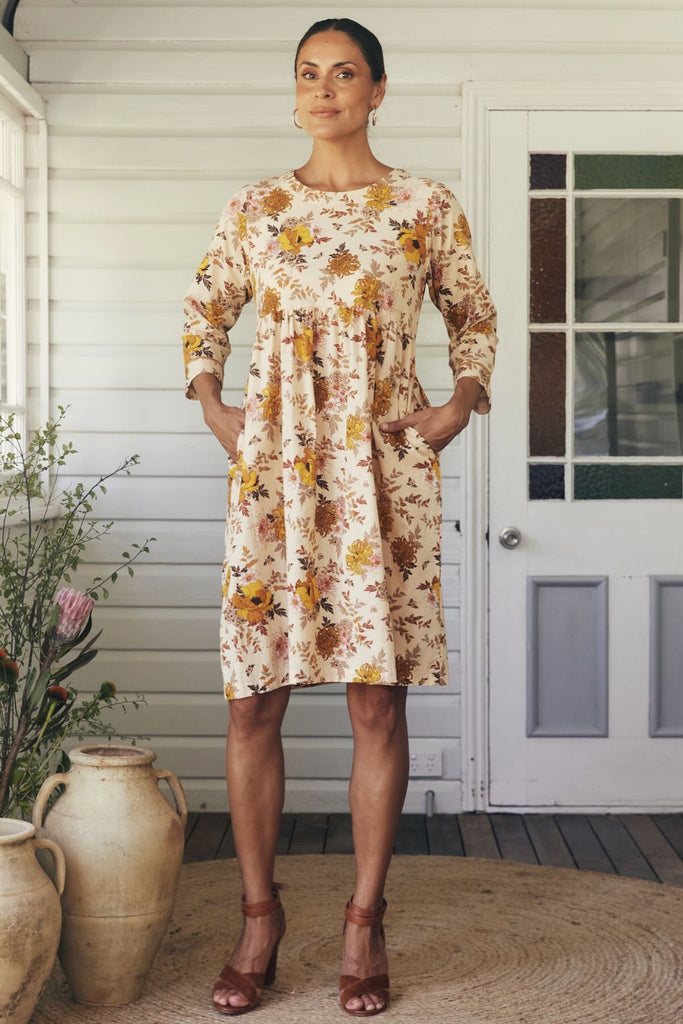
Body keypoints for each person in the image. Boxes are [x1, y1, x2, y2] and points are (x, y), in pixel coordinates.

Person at [182, 16, 497, 1018]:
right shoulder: (254, 207)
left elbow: (473, 315)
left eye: (344, 73)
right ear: (295, 91)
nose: (322, 90)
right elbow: (205, 310)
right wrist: (213, 402)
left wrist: (456, 404)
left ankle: (364, 921)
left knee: (376, 703)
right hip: (273, 478)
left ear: (377, 90)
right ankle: (258, 917)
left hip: (380, 478)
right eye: (308, 73)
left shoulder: (422, 206)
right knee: (251, 702)